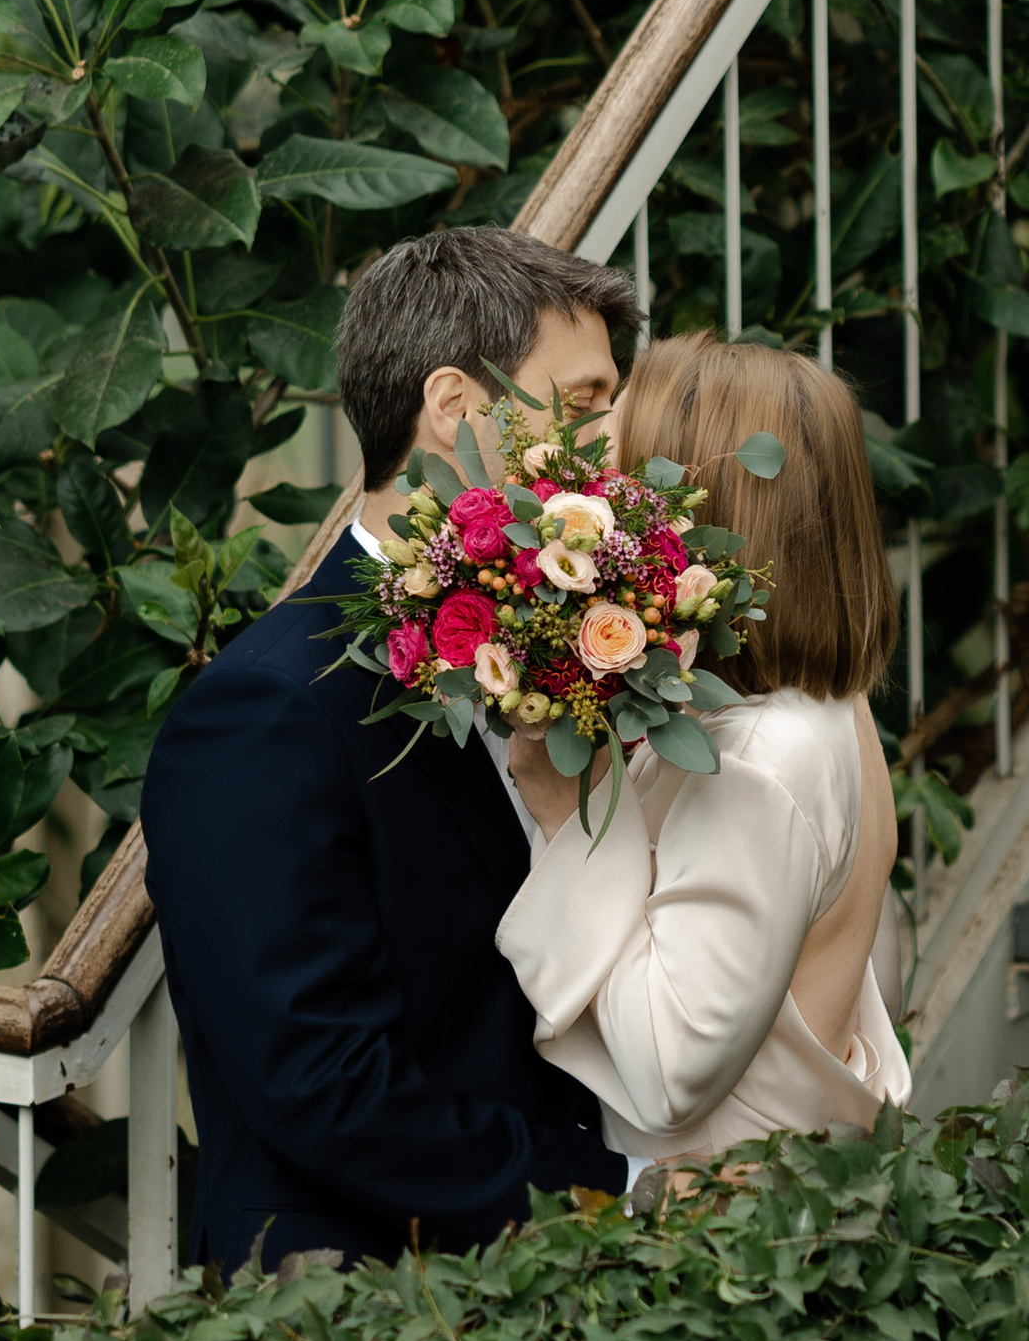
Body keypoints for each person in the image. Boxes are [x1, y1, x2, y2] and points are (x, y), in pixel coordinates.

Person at [141, 225, 636, 1278]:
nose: (612, 443)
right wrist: (615, 1195)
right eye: (584, 403)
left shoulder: (563, 645)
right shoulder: (265, 712)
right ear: (453, 406)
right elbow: (322, 1082)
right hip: (367, 1300)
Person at [494, 334, 909, 1173]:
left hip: (721, 1214)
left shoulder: (758, 759)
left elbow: (670, 1073)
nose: (599, 495)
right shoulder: (829, 707)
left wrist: (571, 819)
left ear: (698, 516)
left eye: (624, 473)